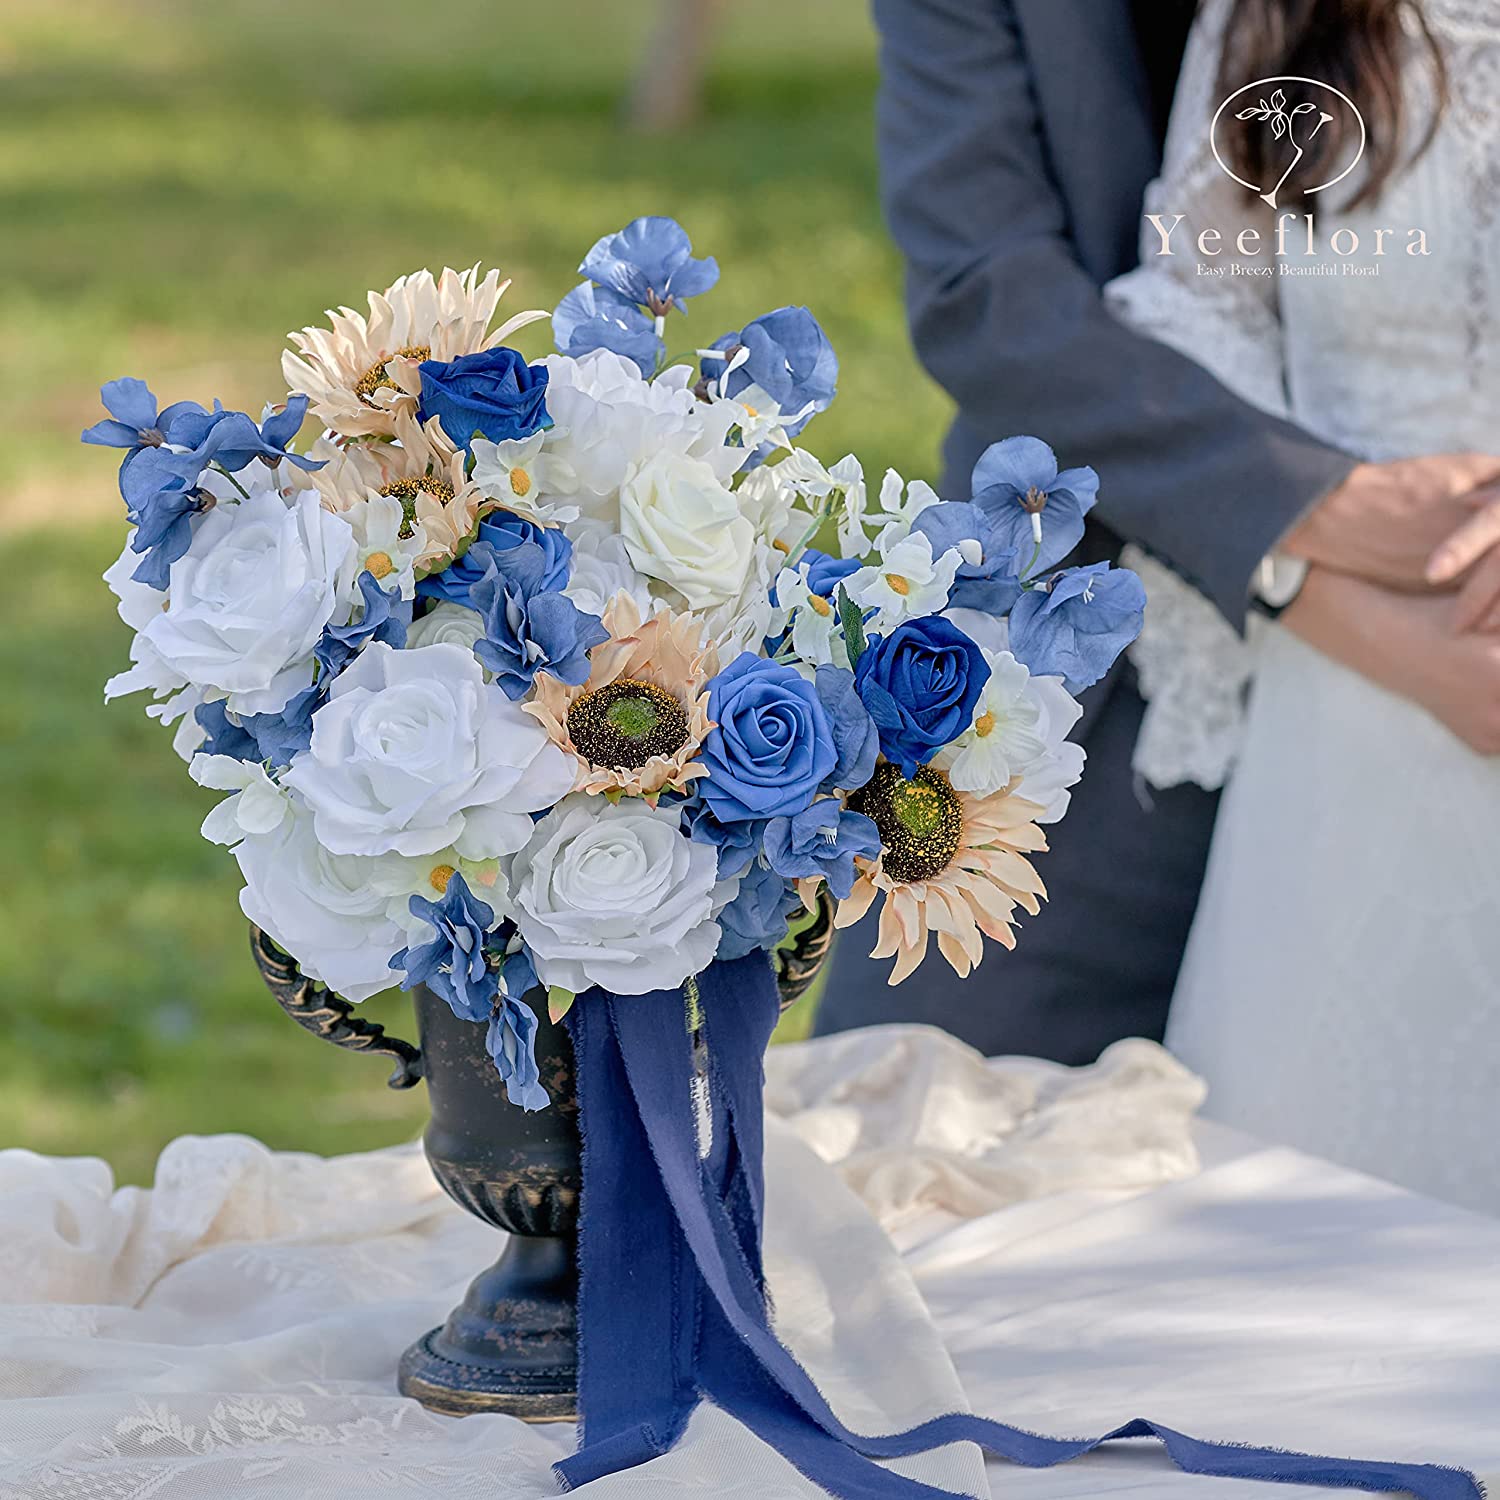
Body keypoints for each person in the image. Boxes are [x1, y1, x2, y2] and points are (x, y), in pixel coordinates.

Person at [814, 0, 1500, 1066]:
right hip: (1098, 655)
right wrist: (1309, 527)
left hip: (1439, 655)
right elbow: (989, 295)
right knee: (920, 1100)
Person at [1100, 0, 1500, 1215]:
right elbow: (1193, 318)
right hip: (1342, 721)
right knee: (1299, 1224)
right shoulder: (1283, 15)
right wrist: (1326, 585)